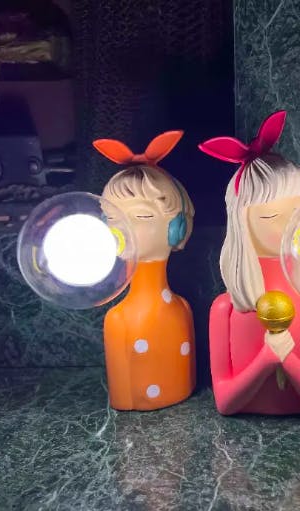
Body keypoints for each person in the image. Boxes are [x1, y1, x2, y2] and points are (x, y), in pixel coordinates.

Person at [199, 111, 300, 416]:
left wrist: (289, 361)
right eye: (272, 216)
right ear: (242, 223)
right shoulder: (225, 310)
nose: (293, 225)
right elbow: (225, 404)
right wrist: (266, 360)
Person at [93, 131, 195, 410]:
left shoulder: (183, 309)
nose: (120, 228)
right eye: (112, 218)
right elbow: (122, 400)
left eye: (141, 216)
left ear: (176, 230)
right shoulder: (118, 321)